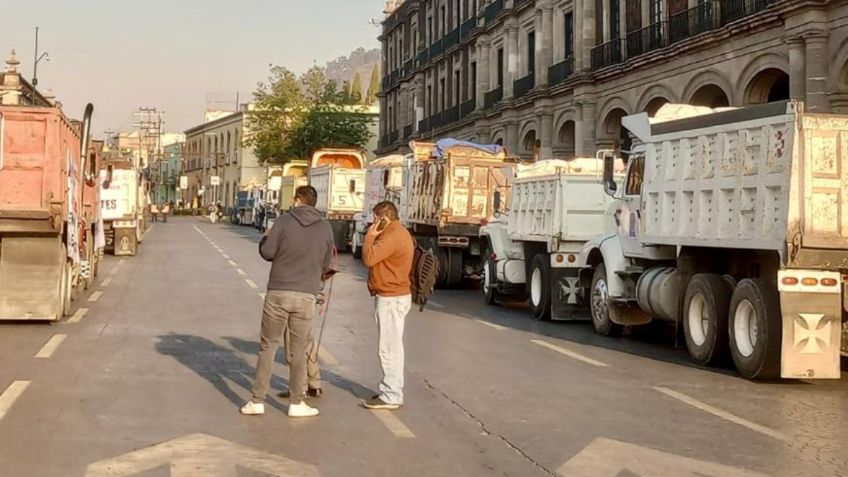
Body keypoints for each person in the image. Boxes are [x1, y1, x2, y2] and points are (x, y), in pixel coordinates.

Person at [241, 186, 334, 418]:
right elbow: (326, 264)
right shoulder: (325, 227)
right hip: (306, 295)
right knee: (299, 350)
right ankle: (296, 402)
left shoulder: (283, 221)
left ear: (297, 200)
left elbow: (268, 252)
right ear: (314, 202)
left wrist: (264, 240)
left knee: (268, 347)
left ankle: (257, 401)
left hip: (279, 292)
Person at [361, 201, 414, 410]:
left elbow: (369, 258)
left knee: (389, 348)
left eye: (375, 218)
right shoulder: (398, 232)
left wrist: (370, 236)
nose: (372, 222)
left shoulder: (392, 235)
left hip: (391, 297)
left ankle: (391, 393)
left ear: (384, 218)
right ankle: (392, 388)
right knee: (392, 346)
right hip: (394, 294)